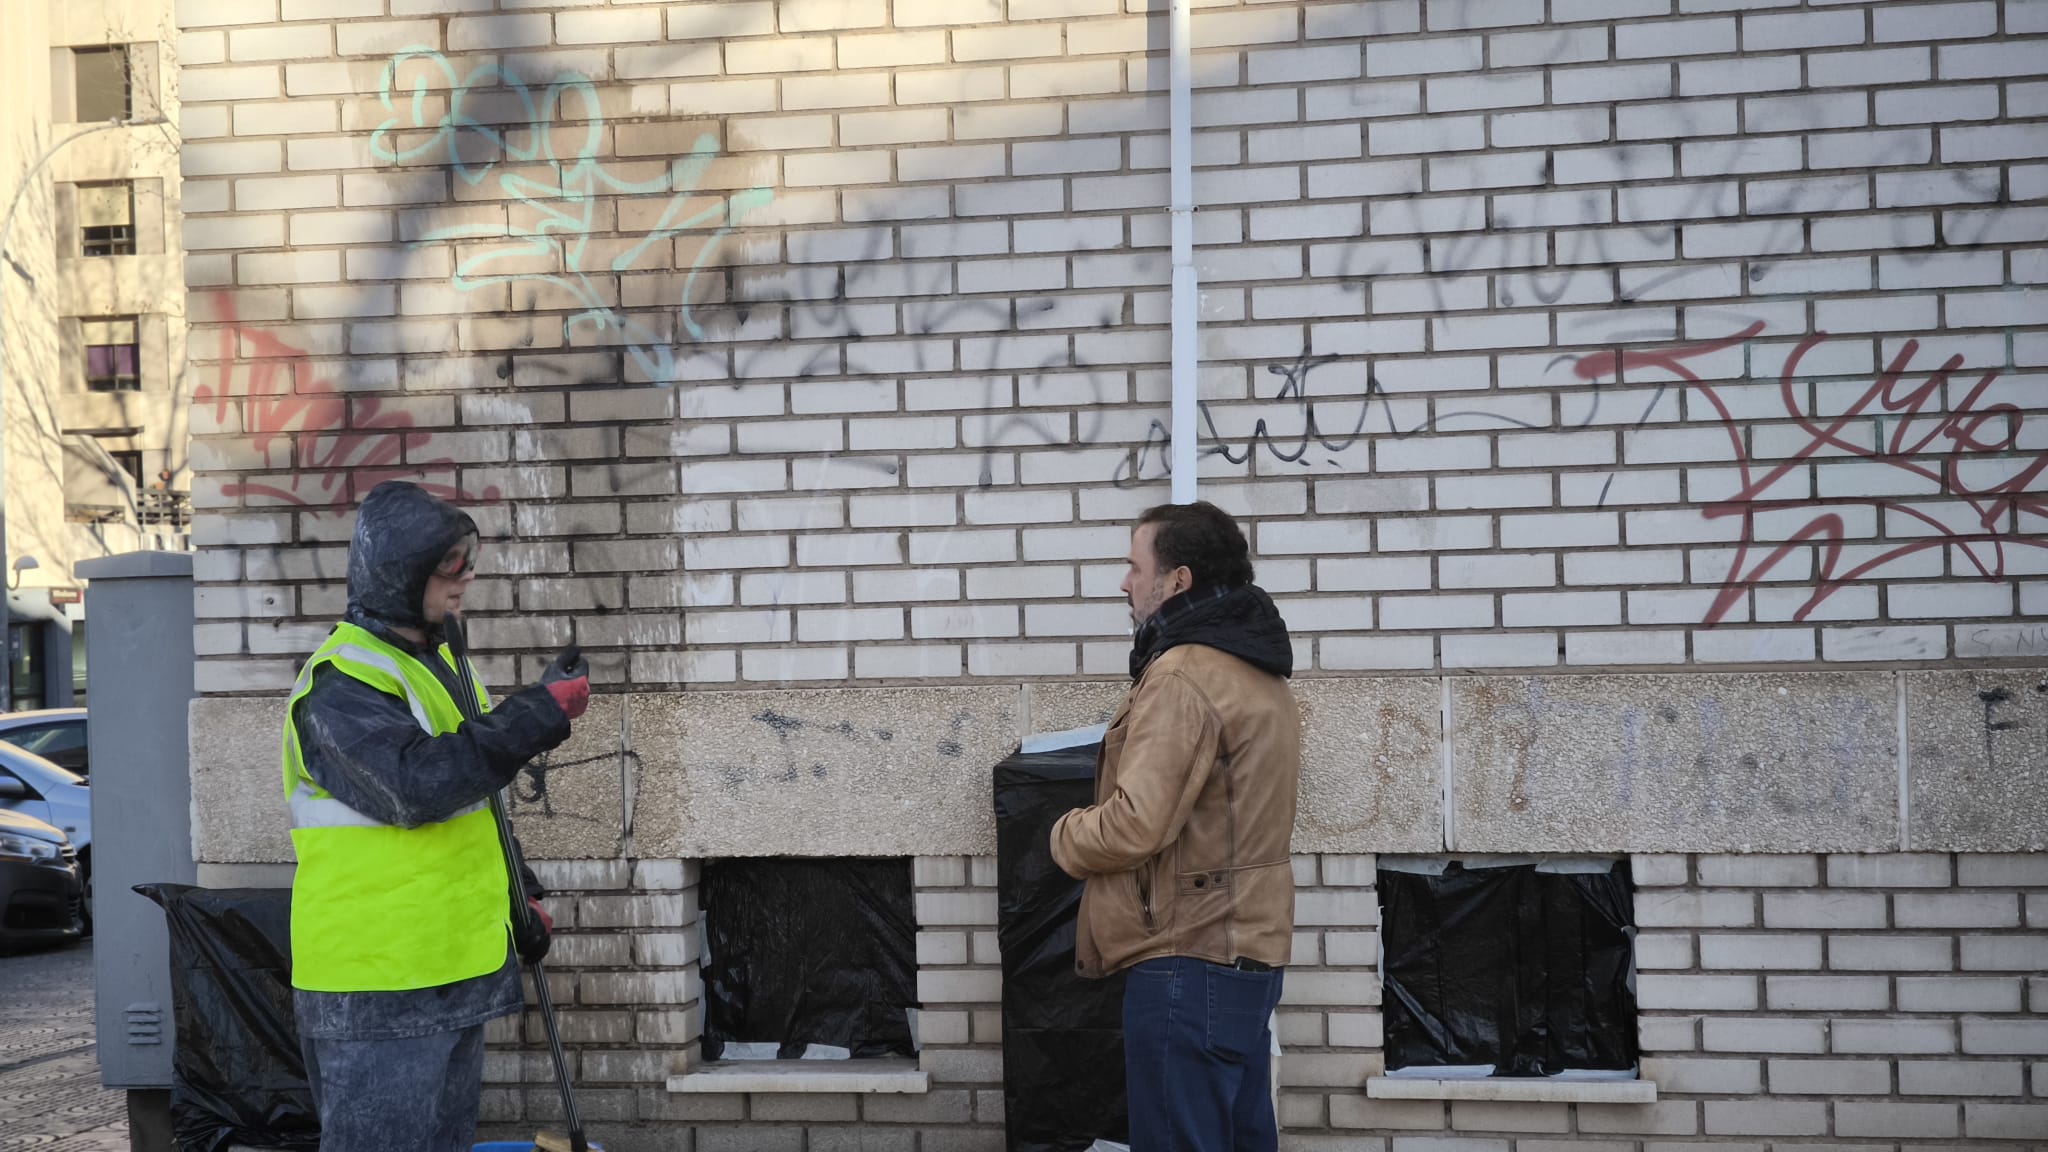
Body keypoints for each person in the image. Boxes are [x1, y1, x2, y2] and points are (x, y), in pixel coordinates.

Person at [282, 481, 590, 1152]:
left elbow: (473, 802)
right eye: (449, 564)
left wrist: (520, 898)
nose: (466, 578)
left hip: (449, 972)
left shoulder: (439, 664)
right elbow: (417, 788)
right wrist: (537, 713)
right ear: (398, 573)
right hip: (377, 987)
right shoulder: (342, 685)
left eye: (466, 560)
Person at [1051, 500, 1301, 1152]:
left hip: (1187, 964)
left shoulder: (1186, 674)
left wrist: (1063, 834)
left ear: (1178, 579)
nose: (1124, 583)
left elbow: (1136, 825)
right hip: (1247, 953)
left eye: (1135, 567)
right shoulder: (1257, 670)